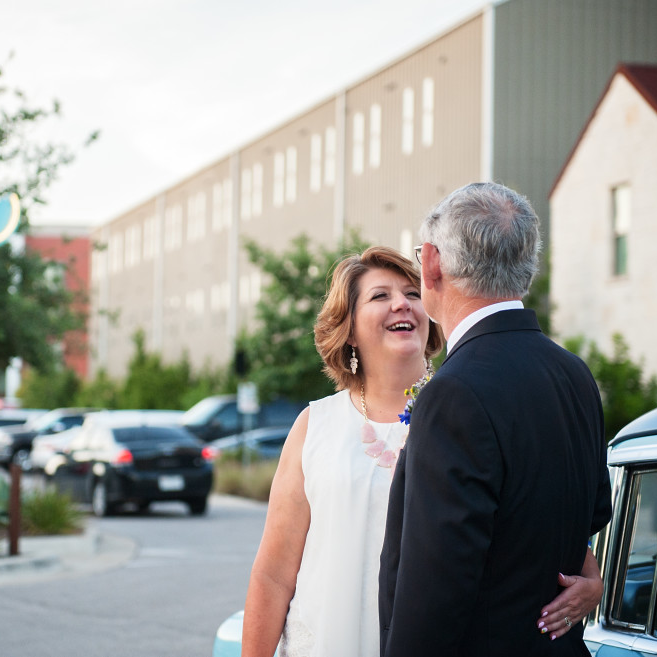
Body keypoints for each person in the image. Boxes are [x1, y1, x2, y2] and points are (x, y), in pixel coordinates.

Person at [241, 245, 600, 657]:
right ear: (350, 329)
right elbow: (273, 576)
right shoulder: (315, 426)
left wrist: (590, 581)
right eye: (380, 296)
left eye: (413, 294)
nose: (402, 305)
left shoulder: (465, 410)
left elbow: (532, 531)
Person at [378, 183, 612, 656]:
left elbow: (435, 587)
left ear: (432, 263)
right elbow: (593, 514)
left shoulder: (454, 393)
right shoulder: (574, 374)